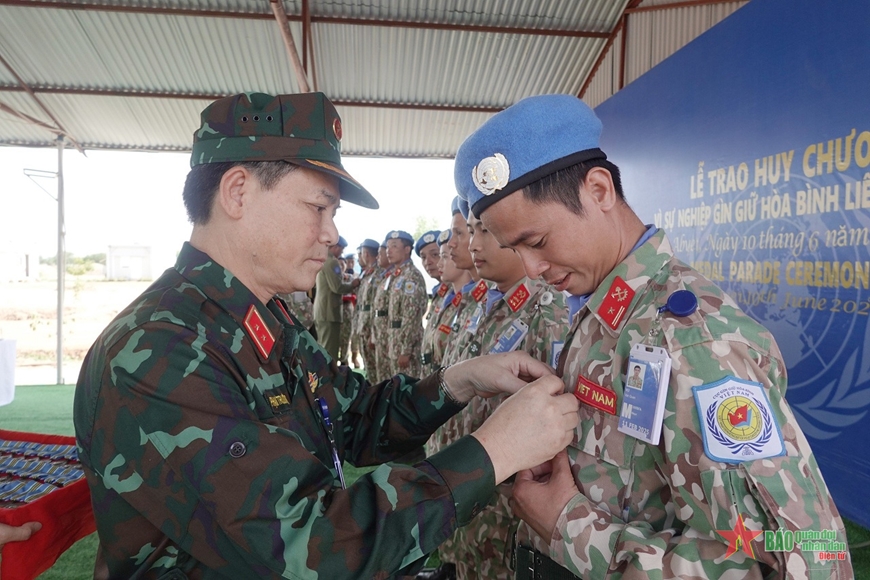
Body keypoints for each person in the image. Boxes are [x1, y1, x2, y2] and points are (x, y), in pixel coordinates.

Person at [73, 91, 580, 579]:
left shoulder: (261, 320)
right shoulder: (160, 349)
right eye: (319, 207)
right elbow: (311, 546)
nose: (332, 234)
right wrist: (494, 451)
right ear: (237, 192)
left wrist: (458, 382)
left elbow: (355, 419)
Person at [454, 94, 853, 579]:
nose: (532, 269)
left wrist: (570, 526)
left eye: (537, 242)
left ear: (599, 190)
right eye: (516, 249)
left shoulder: (691, 342)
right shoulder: (600, 312)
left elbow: (804, 559)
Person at [435, 202, 571, 580]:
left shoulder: (546, 312)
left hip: (503, 507)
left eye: (485, 231)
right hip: (465, 484)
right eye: (471, 231)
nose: (474, 244)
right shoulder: (480, 302)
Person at [384, 231, 429, 379]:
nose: (388, 251)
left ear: (407, 249)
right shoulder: (398, 275)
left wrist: (406, 350)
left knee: (407, 387)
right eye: (387, 247)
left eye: (394, 246)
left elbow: (412, 315)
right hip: (395, 341)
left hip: (406, 347)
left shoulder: (411, 276)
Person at [314, 235, 356, 359]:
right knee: (329, 351)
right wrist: (353, 285)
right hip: (329, 312)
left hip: (323, 311)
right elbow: (337, 287)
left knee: (323, 347)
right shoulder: (332, 262)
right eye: (341, 250)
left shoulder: (323, 259)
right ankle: (328, 372)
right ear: (336, 247)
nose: (341, 253)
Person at [352, 238, 381, 372]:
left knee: (374, 367)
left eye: (362, 253)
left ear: (366, 254)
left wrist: (372, 332)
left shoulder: (378, 274)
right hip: (362, 325)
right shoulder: (367, 273)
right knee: (368, 366)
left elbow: (376, 304)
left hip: (369, 327)